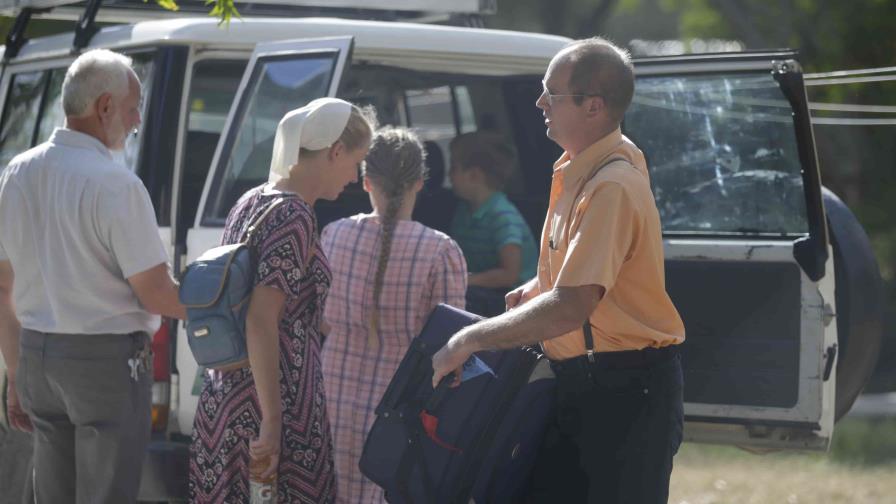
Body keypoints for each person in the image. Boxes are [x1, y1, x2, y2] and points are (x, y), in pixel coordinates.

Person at [431, 37, 686, 504]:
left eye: (552, 93)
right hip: (585, 384)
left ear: (593, 107)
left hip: (625, 392)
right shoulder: (581, 167)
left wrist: (469, 338)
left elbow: (572, 303)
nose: (539, 102)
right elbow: (577, 274)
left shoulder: (612, 183)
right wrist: (536, 287)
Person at [0, 49, 185, 504]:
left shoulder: (17, 172)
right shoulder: (116, 184)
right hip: (104, 366)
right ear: (104, 107)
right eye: (133, 106)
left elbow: (4, 285)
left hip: (37, 355)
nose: (138, 119)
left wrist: (16, 372)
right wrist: (224, 308)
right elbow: (156, 293)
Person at [189, 98, 376, 503]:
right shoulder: (295, 216)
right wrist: (273, 419)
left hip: (226, 392)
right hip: (275, 397)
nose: (353, 176)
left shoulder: (253, 199)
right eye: (355, 162)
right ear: (335, 152)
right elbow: (261, 319)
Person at [321, 126, 467, 503]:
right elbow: (451, 349)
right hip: (395, 412)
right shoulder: (440, 251)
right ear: (420, 182)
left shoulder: (333, 235)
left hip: (330, 397)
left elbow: (319, 319)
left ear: (366, 181)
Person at [448, 132, 538, 316]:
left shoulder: (502, 216)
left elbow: (509, 274)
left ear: (474, 175)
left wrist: (466, 280)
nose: (449, 175)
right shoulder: (464, 211)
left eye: (453, 168)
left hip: (514, 301)